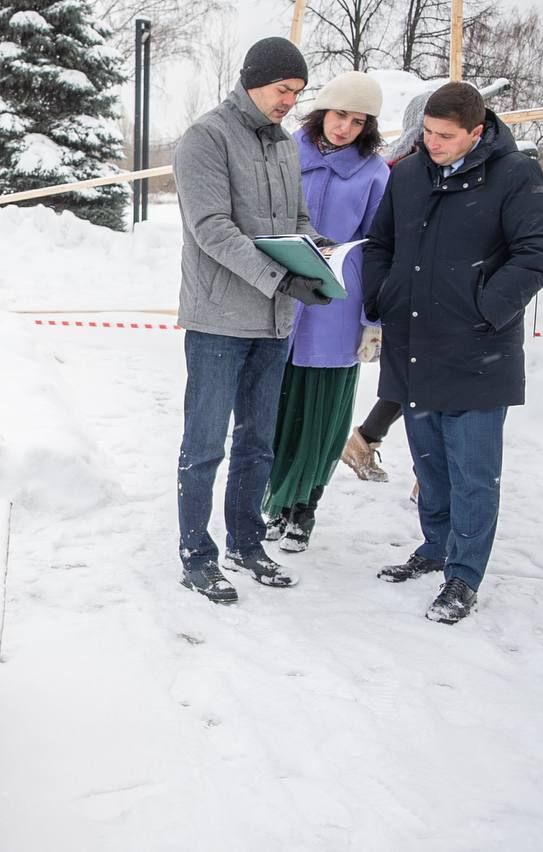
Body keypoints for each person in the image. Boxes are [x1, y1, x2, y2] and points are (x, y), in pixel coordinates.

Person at [362, 82, 543, 623]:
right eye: (427, 132)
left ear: (477, 132)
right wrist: (383, 295)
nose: (433, 143)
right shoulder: (407, 174)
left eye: (445, 136)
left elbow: (539, 251)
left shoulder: (515, 175)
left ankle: (464, 574)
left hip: (477, 349)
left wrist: (486, 307)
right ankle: (435, 546)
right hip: (415, 344)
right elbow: (380, 245)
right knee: (429, 460)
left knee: (473, 468)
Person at [172, 36, 332, 604]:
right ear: (252, 81)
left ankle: (244, 540)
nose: (291, 101)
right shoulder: (206, 137)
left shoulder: (285, 146)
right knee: (206, 443)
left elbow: (296, 219)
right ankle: (197, 553)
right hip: (219, 319)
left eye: (297, 92)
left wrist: (319, 250)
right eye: (283, 89)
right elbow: (211, 228)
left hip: (273, 323)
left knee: (259, 441)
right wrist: (277, 277)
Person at [263, 71, 389, 553]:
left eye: (358, 122)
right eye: (340, 115)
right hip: (281, 296)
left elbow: (381, 249)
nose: (345, 129)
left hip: (340, 301)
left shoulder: (375, 174)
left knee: (323, 412)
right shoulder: (284, 153)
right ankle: (275, 502)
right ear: (322, 112)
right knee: (277, 407)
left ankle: (305, 509)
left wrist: (372, 322)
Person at [339, 90, 430, 484]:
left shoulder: (401, 165)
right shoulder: (404, 171)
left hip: (420, 291)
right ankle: (427, 477)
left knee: (413, 381)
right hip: (408, 291)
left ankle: (366, 441)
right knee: (420, 384)